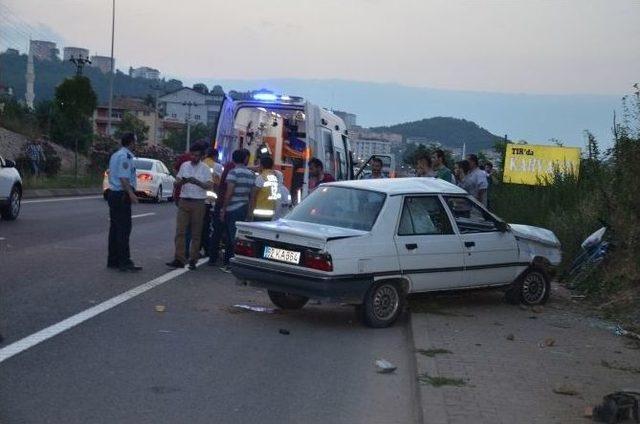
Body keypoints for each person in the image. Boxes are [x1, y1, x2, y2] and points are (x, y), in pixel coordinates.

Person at [166, 142, 215, 270]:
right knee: (180, 231)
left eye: (196, 155)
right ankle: (179, 258)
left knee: (196, 233)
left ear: (201, 156)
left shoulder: (205, 168)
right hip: (184, 200)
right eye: (192, 155)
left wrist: (197, 182)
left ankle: (193, 259)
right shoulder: (185, 165)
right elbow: (177, 181)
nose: (193, 157)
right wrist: (180, 182)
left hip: (198, 202)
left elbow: (210, 185)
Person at [107, 132, 142, 272]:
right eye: (136, 141)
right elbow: (123, 178)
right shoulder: (125, 156)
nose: (136, 144)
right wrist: (131, 194)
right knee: (123, 230)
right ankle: (124, 261)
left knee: (115, 229)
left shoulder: (115, 155)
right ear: (131, 142)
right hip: (121, 195)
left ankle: (113, 260)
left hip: (113, 194)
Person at [220, 149, 256, 272]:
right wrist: (250, 212)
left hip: (233, 208)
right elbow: (252, 196)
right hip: (244, 207)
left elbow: (229, 193)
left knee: (231, 237)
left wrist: (223, 209)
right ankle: (234, 262)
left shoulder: (233, 173)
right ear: (245, 159)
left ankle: (231, 264)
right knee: (239, 236)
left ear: (234, 159)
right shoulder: (251, 174)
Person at [200, 148, 224, 256]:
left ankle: (197, 248)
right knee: (208, 226)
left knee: (199, 225)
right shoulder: (217, 166)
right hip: (210, 201)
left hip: (199, 198)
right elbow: (219, 184)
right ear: (215, 156)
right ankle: (207, 248)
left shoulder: (200, 164)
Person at [250, 155, 280, 221]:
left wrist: (250, 212)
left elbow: (253, 196)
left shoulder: (261, 177)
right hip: (270, 212)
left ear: (261, 166)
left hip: (259, 213)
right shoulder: (274, 178)